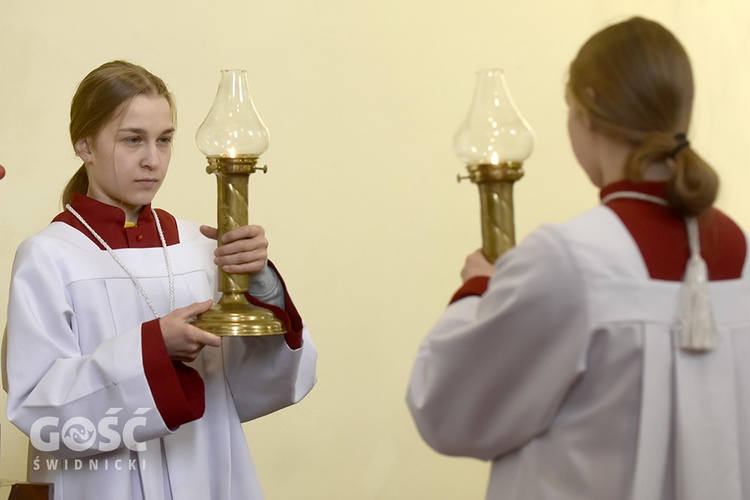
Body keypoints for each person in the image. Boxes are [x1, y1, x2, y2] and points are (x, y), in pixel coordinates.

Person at [407, 16, 750, 500]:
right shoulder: (740, 251)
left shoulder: (572, 258)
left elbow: (447, 411)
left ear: (587, 107)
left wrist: (478, 290)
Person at [3, 60, 317, 500]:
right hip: (104, 486)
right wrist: (153, 348)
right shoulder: (50, 256)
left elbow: (262, 387)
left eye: (164, 140)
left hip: (208, 475)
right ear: (84, 145)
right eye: (133, 140)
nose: (153, 160)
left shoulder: (199, 247)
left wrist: (259, 286)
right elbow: (40, 409)